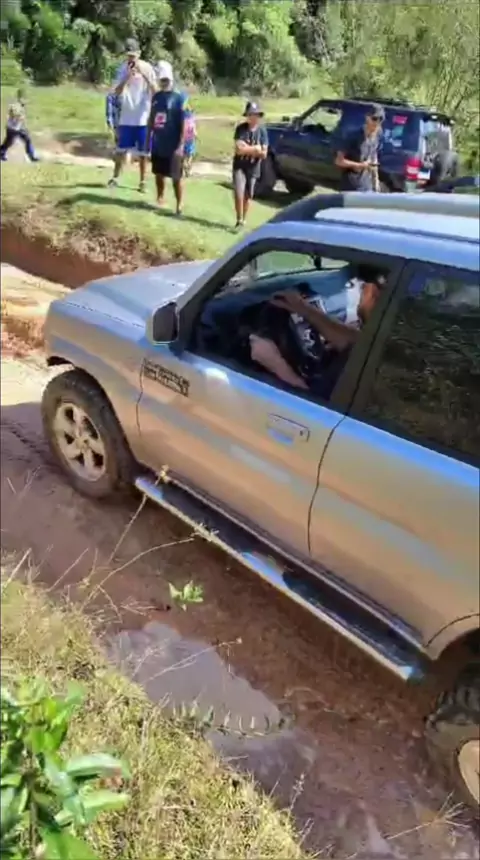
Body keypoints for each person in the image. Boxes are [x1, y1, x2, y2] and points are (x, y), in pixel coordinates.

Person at [249, 266, 386, 398]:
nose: (364, 289)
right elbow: (359, 343)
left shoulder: (370, 381)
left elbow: (315, 406)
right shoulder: (384, 346)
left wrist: (274, 362)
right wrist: (303, 308)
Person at [108, 38, 157, 192]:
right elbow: (116, 92)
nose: (131, 59)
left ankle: (143, 182)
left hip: (143, 117)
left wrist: (143, 74)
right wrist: (127, 76)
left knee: (143, 153)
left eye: (133, 56)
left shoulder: (147, 68)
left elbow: (155, 91)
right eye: (128, 56)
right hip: (126, 116)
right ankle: (115, 178)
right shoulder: (123, 69)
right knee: (121, 150)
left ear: (139, 54)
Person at [146, 61, 188, 216]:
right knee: (159, 173)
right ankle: (160, 198)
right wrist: (148, 140)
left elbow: (184, 123)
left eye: (166, 80)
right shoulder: (156, 97)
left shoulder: (179, 98)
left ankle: (179, 204)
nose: (163, 83)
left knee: (176, 177)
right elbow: (151, 118)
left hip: (174, 144)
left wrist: (181, 145)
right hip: (158, 143)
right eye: (161, 80)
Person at [232, 101, 268, 229]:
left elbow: (264, 154)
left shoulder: (262, 131)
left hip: (253, 167)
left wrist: (247, 148)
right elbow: (238, 149)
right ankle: (239, 220)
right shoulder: (241, 129)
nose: (253, 117)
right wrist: (255, 149)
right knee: (239, 192)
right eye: (250, 114)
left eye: (255, 114)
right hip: (240, 166)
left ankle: (244, 218)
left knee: (248, 195)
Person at [335, 104, 385, 192]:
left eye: (380, 119)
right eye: (374, 119)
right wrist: (359, 165)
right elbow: (339, 161)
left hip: (367, 186)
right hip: (351, 185)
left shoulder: (378, 134)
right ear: (367, 118)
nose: (377, 123)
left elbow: (374, 156)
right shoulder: (353, 136)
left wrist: (376, 182)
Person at [0, 89, 39, 163]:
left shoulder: (21, 106)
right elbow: (14, 115)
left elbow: (19, 118)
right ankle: (32, 157)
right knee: (10, 142)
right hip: (13, 128)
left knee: (22, 140)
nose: (27, 102)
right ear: (20, 98)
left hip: (16, 128)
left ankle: (32, 157)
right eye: (25, 99)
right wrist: (20, 117)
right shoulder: (16, 106)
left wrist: (23, 125)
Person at [183, 102, 197, 177]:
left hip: (183, 139)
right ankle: (188, 165)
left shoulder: (183, 118)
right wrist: (196, 136)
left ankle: (185, 166)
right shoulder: (192, 119)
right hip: (191, 139)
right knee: (191, 154)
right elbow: (194, 130)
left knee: (184, 154)